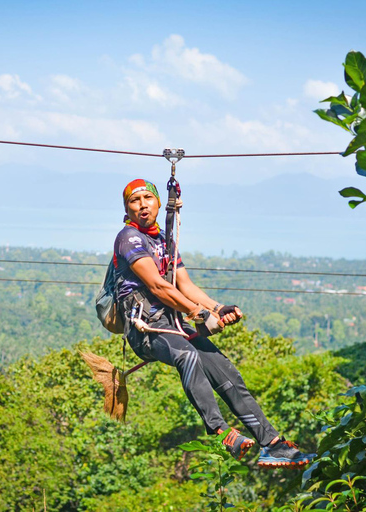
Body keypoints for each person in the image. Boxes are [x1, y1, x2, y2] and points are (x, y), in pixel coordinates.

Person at [113, 178, 315, 467]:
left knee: (226, 372)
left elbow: (185, 285)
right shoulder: (129, 238)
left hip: (173, 325)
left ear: (158, 203)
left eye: (148, 198)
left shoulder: (164, 242)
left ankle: (272, 444)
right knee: (188, 356)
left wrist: (218, 308)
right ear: (128, 208)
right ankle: (219, 431)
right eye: (135, 200)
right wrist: (200, 314)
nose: (143, 204)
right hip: (145, 329)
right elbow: (158, 288)